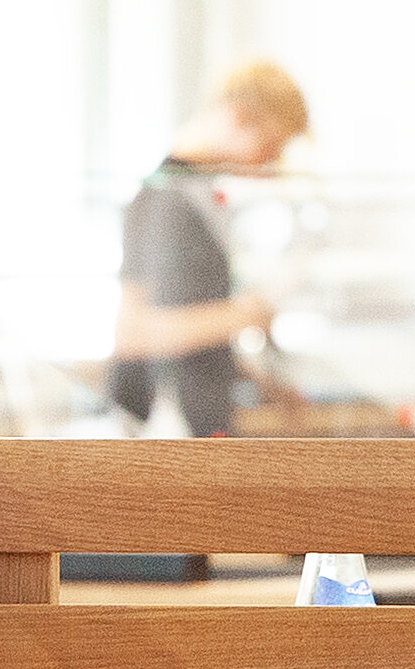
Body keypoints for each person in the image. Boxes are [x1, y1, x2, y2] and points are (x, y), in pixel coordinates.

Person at [111, 59, 309, 436]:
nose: (271, 162)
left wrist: (264, 382)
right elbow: (132, 334)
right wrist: (247, 314)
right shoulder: (163, 198)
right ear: (238, 117)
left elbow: (188, 329)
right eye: (271, 145)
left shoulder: (192, 194)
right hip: (167, 431)